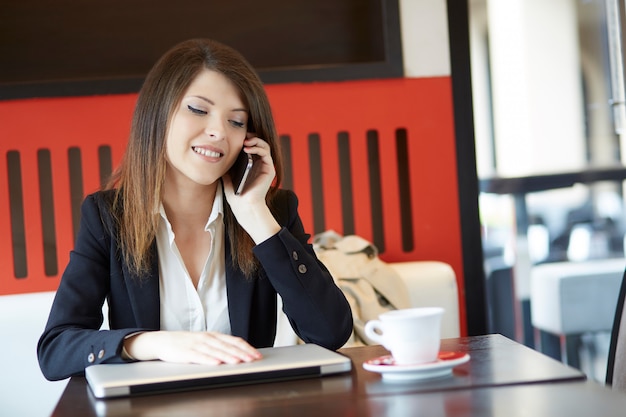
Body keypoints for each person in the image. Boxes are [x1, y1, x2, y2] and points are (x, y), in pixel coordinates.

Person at [37, 38, 353, 381]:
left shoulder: (271, 211)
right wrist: (151, 344)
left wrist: (258, 219)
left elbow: (330, 332)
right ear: (159, 114)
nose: (218, 131)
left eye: (236, 122)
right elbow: (56, 348)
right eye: (199, 110)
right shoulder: (107, 217)